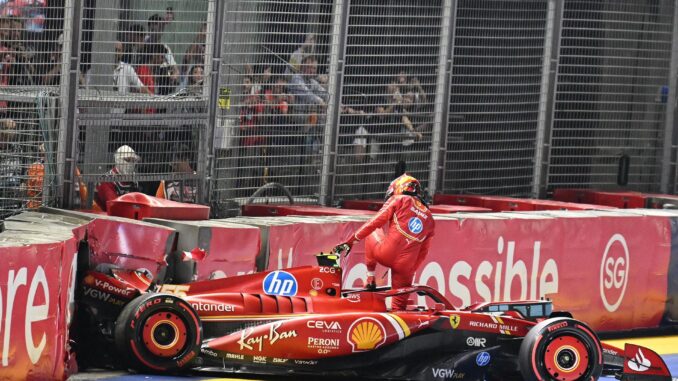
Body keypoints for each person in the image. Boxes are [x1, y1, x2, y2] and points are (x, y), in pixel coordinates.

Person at [336, 174, 435, 310]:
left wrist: (351, 241)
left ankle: (370, 279)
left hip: (385, 253)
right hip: (406, 266)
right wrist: (410, 272)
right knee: (399, 307)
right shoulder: (430, 218)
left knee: (373, 231)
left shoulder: (398, 199)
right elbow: (423, 252)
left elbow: (374, 223)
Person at [94, 145, 140, 211]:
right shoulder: (107, 179)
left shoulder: (133, 178)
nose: (131, 163)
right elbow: (114, 207)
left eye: (133, 160)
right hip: (103, 216)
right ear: (118, 160)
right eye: (128, 160)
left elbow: (137, 202)